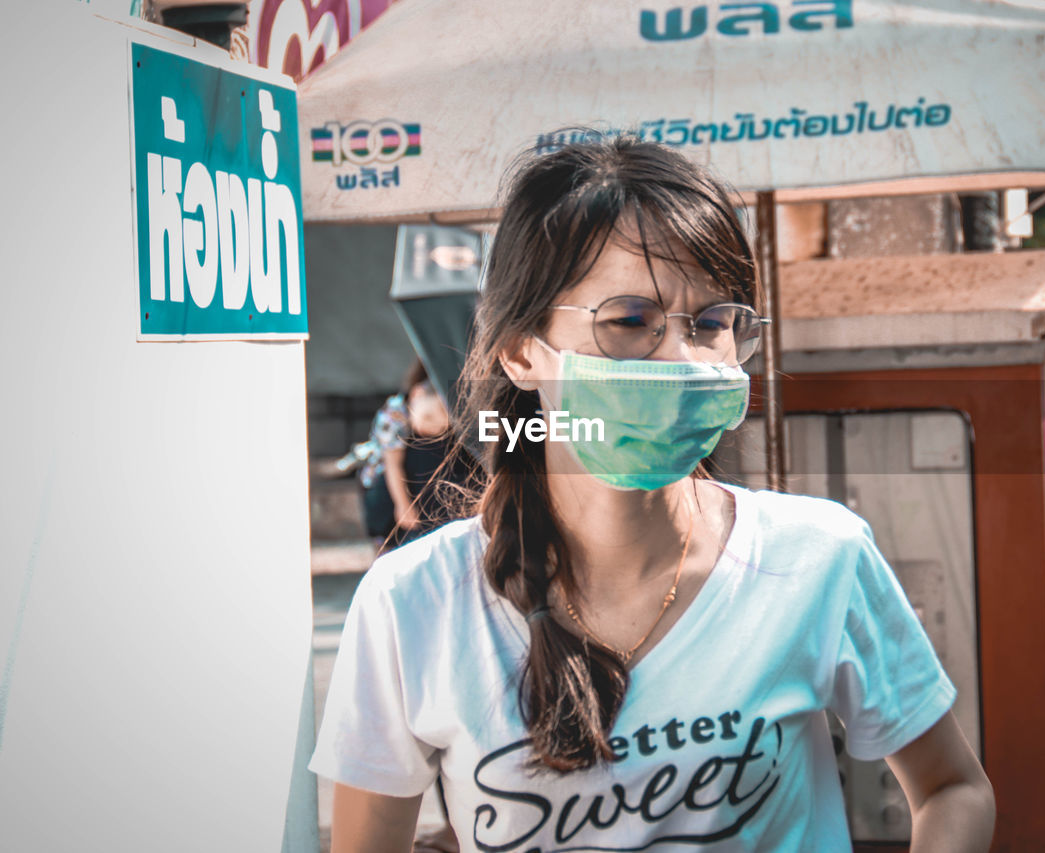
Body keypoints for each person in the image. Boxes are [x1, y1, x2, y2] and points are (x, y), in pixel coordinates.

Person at [310, 135, 995, 852]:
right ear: (520, 350)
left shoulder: (820, 557)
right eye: (630, 321)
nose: (684, 360)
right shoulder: (412, 603)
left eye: (711, 323)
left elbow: (954, 789)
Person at [357, 363, 465, 551]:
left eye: (441, 428)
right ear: (416, 394)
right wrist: (403, 505)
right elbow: (393, 464)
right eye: (429, 418)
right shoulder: (395, 413)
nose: (431, 429)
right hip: (385, 479)